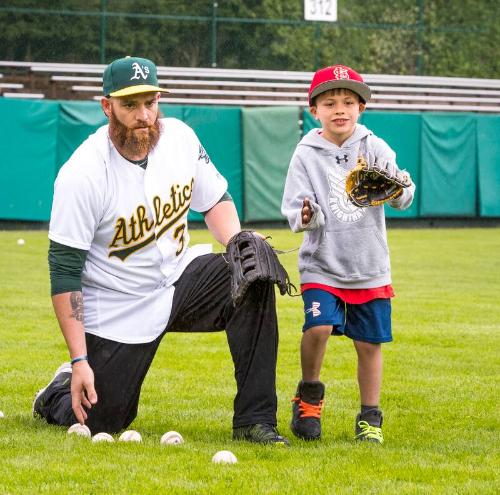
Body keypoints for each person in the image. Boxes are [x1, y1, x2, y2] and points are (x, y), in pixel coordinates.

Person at [33, 56, 288, 445]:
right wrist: (80, 359)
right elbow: (65, 273)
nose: (143, 115)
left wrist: (236, 242)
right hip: (118, 303)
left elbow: (216, 198)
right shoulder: (82, 174)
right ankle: (57, 389)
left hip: (179, 277)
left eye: (149, 102)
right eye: (130, 105)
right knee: (101, 420)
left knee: (250, 278)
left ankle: (255, 421)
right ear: (107, 107)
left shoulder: (180, 139)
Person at [281, 64, 415, 443]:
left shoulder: (374, 147)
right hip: (322, 263)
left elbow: (405, 194)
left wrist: (398, 188)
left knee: (369, 343)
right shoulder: (305, 153)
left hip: (369, 264)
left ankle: (370, 416)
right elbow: (294, 207)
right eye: (329, 102)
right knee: (318, 327)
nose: (339, 109)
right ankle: (309, 397)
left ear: (361, 108)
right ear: (314, 110)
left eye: (348, 101)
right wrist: (306, 215)